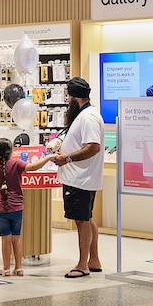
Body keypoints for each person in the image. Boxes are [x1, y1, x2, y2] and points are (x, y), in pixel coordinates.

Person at [52, 77, 105, 279]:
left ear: (73, 97)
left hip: (80, 178)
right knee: (87, 218)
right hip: (81, 178)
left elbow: (94, 146)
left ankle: (82, 264)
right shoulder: (85, 115)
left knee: (82, 221)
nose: (67, 101)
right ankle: (94, 260)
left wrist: (68, 158)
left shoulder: (88, 117)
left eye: (68, 97)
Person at [0, 137, 55, 277]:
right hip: (17, 207)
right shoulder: (17, 163)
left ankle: (6, 269)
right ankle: (19, 268)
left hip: (0, 208)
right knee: (16, 238)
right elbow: (34, 167)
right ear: (11, 151)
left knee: (5, 239)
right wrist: (50, 156)